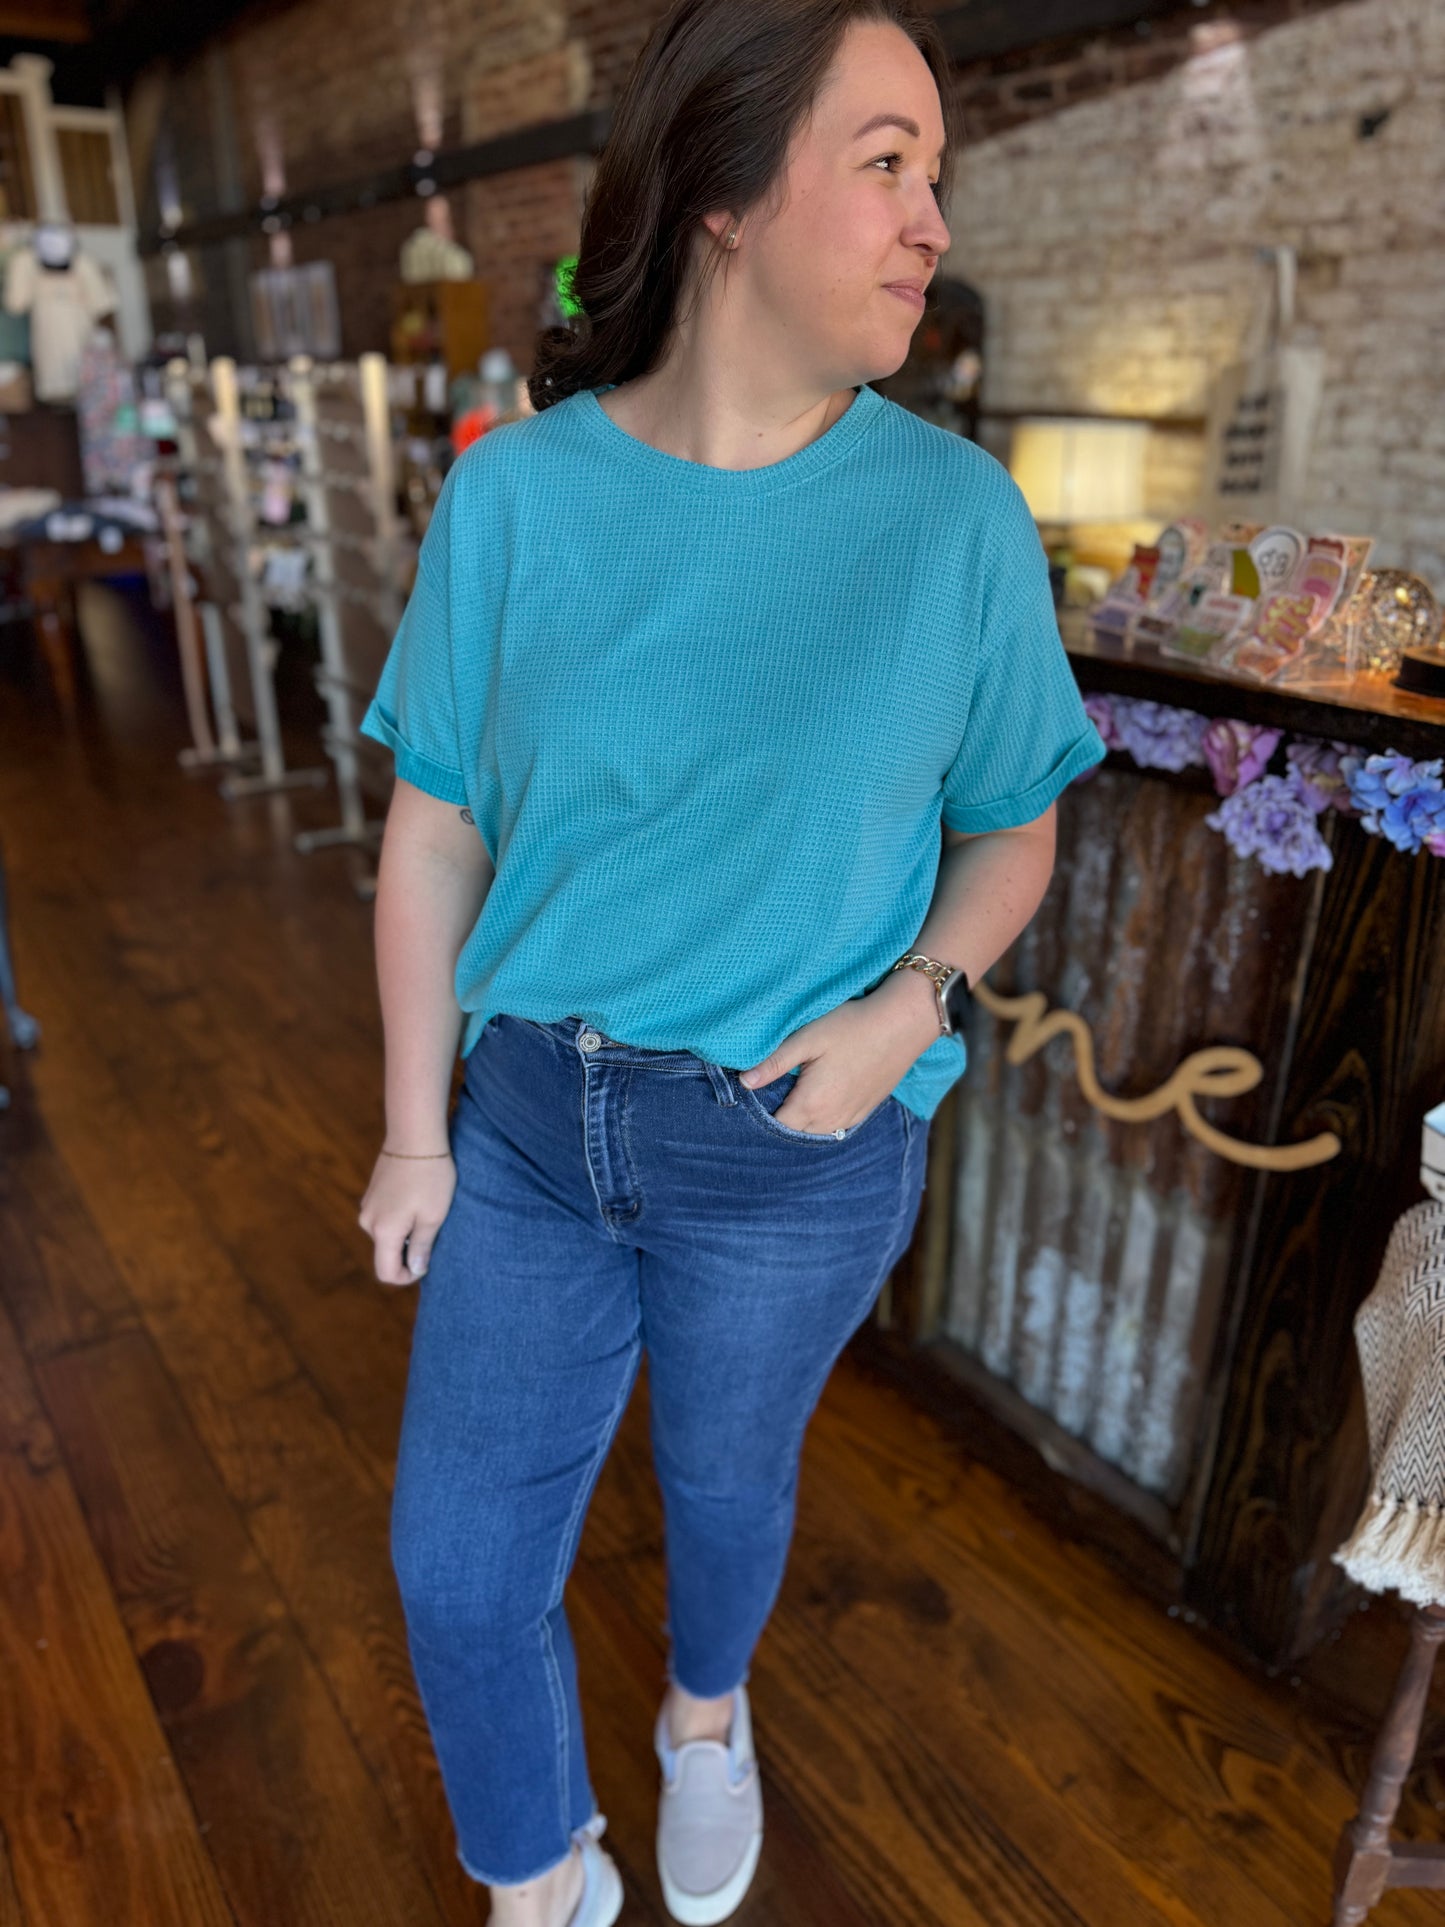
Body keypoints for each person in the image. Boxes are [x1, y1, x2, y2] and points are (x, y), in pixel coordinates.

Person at [355, 2, 1106, 1923]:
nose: (931, 218)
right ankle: (539, 1874)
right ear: (720, 192)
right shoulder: (514, 495)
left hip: (794, 1143)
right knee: (458, 1565)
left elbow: (1011, 825)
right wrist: (416, 1131)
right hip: (528, 1124)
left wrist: (907, 1008)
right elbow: (434, 832)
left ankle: (705, 1715)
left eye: (936, 172)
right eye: (885, 163)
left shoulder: (952, 522)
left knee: (724, 1485)